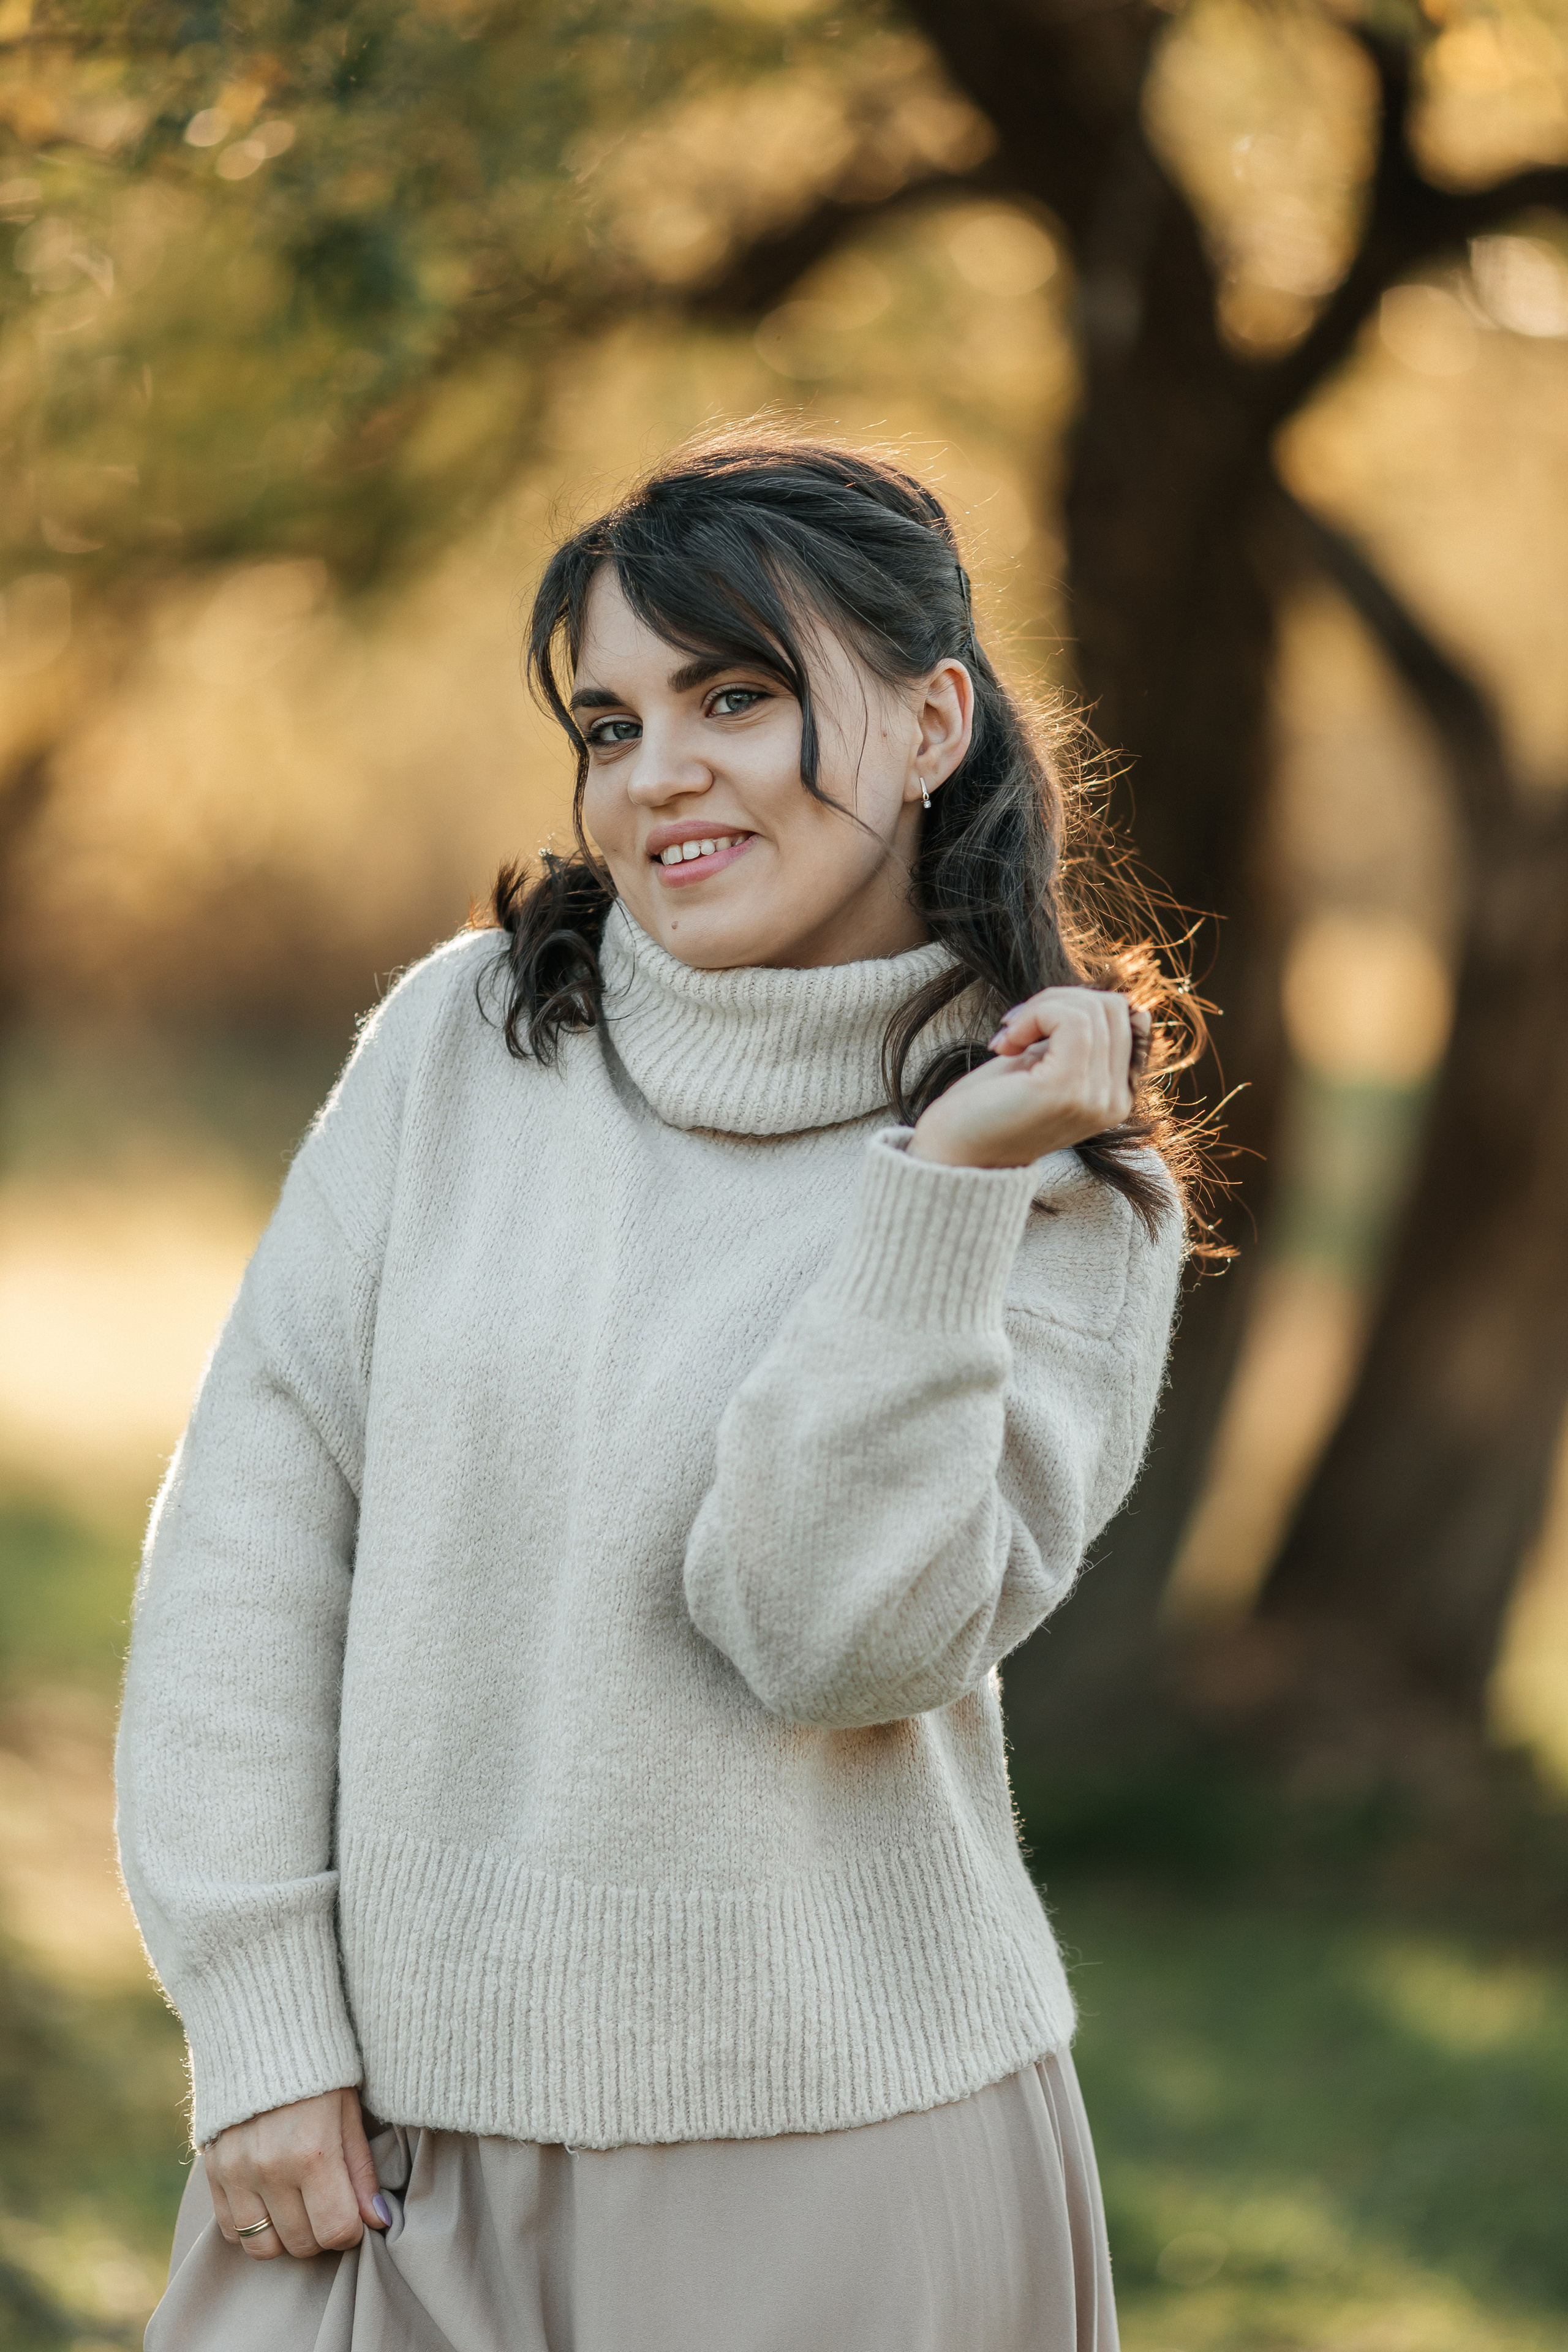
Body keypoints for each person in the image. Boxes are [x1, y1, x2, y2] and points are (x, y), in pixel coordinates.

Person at [118, 433, 1194, 2352]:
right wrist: (262, 2018)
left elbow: (834, 1640)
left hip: (840, 2171)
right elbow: (250, 1536)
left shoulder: (1062, 1182)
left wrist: (941, 1189)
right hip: (374, 2144)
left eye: (737, 699)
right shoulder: (464, 1044)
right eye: (610, 726)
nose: (658, 775)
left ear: (933, 721)